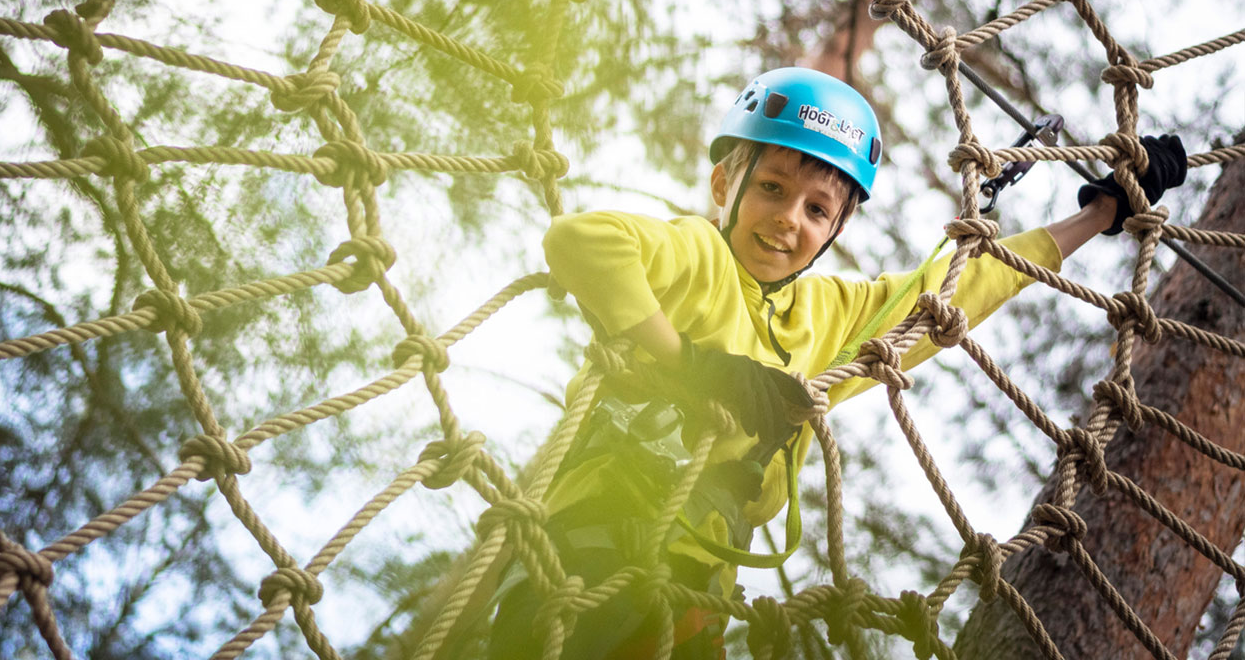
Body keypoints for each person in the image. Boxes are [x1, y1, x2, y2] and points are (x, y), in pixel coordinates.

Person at [487, 67, 1187, 659]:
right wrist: (692, 366)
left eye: (817, 209)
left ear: (837, 228)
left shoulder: (829, 317)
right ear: (724, 184)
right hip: (589, 547)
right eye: (771, 189)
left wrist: (1098, 214)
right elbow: (581, 242)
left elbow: (967, 285)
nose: (790, 218)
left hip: (696, 587)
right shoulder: (696, 254)